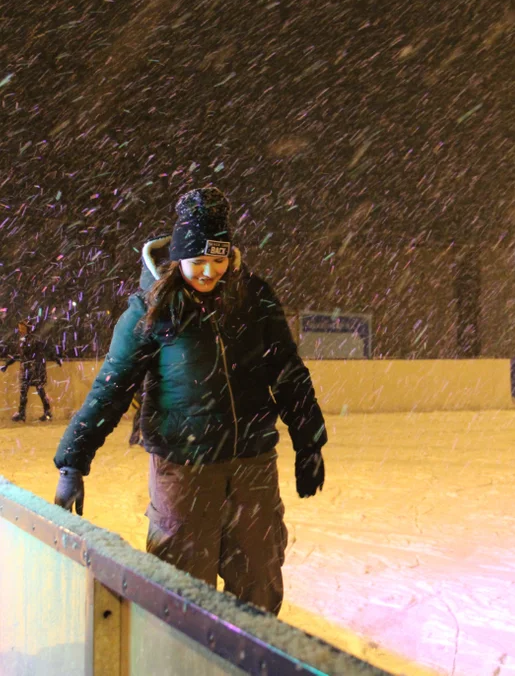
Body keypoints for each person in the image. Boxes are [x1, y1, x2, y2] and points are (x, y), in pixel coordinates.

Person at [53, 187, 327, 615]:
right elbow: (111, 388)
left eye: (218, 260)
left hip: (252, 465)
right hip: (183, 470)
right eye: (197, 261)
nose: (208, 272)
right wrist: (73, 460)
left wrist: (310, 441)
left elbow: (288, 372)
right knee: (180, 598)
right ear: (177, 256)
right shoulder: (152, 309)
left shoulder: (254, 298)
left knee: (258, 586)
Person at [1, 319, 62, 421]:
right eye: (19, 328)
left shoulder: (34, 340)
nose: (20, 330)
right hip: (28, 369)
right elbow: (18, 355)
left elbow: (46, 349)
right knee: (26, 391)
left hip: (35, 369)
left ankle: (44, 413)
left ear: (28, 328)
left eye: (22, 328)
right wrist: (7, 364)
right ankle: (24, 414)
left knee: (38, 390)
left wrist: (55, 358)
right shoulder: (24, 340)